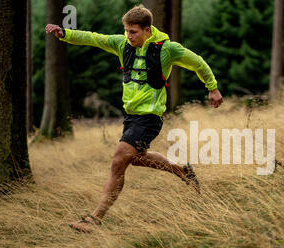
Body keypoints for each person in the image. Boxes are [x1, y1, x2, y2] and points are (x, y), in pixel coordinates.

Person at [45, 5, 223, 233]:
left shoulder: (167, 49)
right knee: (137, 158)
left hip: (149, 118)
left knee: (119, 160)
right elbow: (94, 38)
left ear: (147, 30)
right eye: (127, 31)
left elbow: (197, 62)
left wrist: (213, 88)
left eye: (133, 32)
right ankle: (182, 171)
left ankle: (94, 220)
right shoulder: (122, 44)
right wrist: (65, 34)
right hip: (130, 117)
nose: (128, 36)